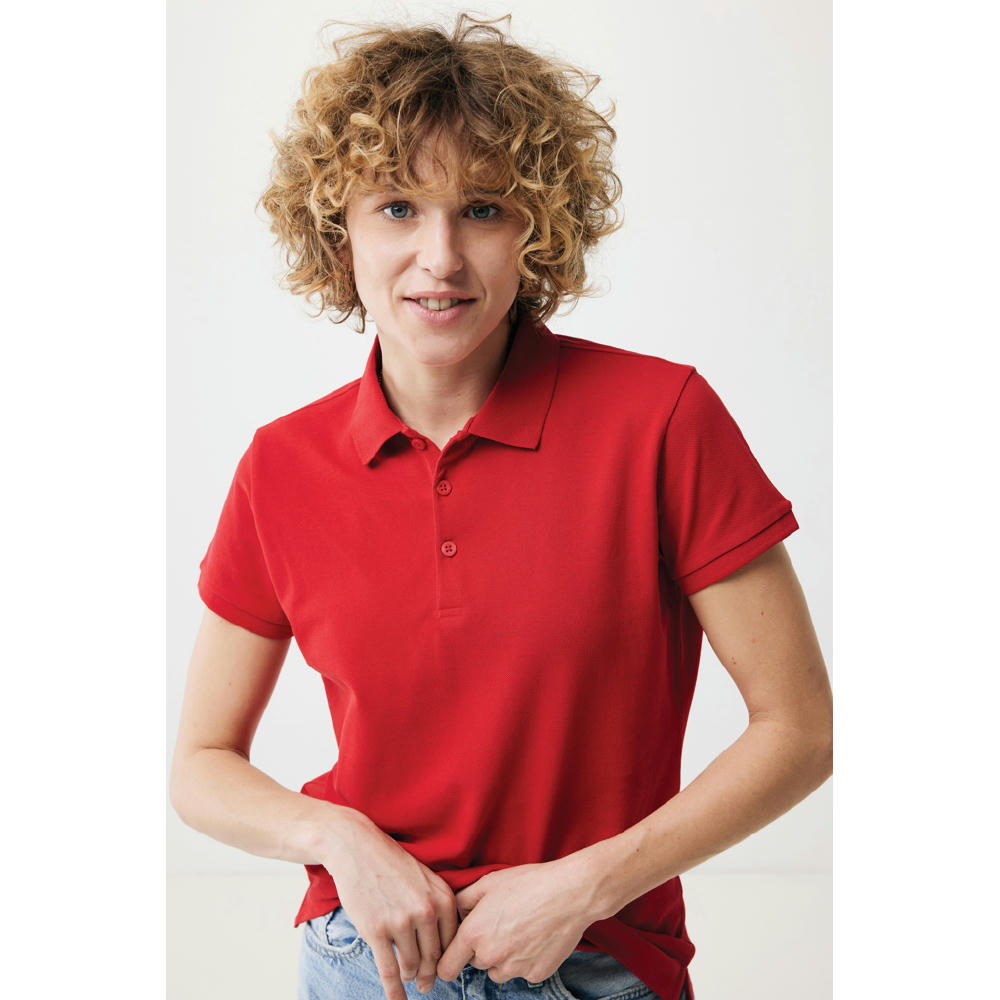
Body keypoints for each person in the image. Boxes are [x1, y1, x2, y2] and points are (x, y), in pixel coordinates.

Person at [169, 13, 833, 1000]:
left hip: (594, 964)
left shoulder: (661, 421)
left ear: (538, 225)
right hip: (363, 965)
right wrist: (337, 837)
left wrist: (587, 883)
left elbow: (801, 729)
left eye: (482, 209)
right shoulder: (281, 465)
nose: (439, 257)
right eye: (397, 207)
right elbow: (200, 763)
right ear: (337, 229)